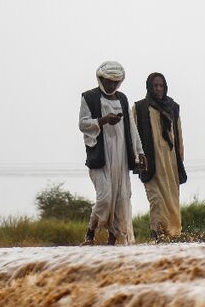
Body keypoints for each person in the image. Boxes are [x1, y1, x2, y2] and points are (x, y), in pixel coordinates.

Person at [78, 61, 146, 245]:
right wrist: (103, 120)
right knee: (105, 198)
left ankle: (112, 243)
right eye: (108, 81)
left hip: (121, 155)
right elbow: (83, 124)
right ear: (101, 79)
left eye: (116, 82)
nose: (112, 85)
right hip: (101, 155)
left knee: (122, 199)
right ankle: (90, 234)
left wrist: (140, 152)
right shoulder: (90, 97)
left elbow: (131, 128)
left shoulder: (122, 99)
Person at [132, 72, 187, 238]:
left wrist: (180, 160)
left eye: (161, 85)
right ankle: (155, 235)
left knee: (171, 201)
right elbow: (133, 136)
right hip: (151, 163)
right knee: (156, 200)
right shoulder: (139, 108)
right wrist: (136, 159)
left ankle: (169, 237)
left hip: (170, 163)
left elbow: (178, 135)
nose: (158, 89)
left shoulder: (173, 107)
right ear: (149, 86)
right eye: (155, 85)